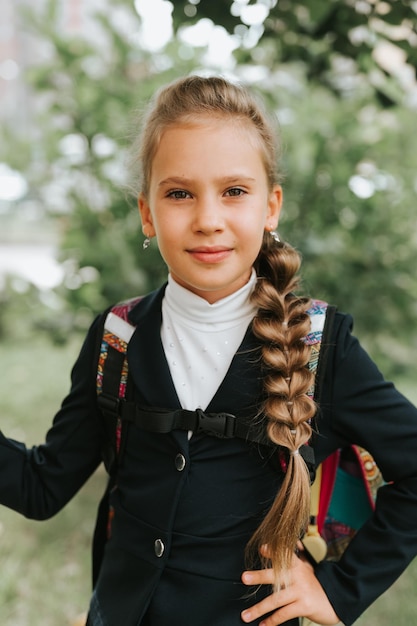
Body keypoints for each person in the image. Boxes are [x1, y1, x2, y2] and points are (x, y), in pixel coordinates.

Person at [1, 74, 417, 626]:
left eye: (234, 191)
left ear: (270, 208)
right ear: (147, 213)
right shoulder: (117, 338)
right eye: (179, 194)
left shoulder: (320, 345)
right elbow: (43, 486)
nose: (208, 220)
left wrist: (340, 592)